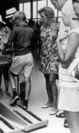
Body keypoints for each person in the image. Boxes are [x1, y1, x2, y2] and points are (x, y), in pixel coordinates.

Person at [57, 0, 79, 132]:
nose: (62, 19)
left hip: (70, 85)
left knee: (74, 127)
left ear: (68, 16)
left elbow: (65, 62)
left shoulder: (74, 34)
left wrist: (58, 43)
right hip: (74, 83)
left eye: (62, 16)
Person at [4, 11, 34, 109]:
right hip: (29, 56)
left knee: (10, 73)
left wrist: (4, 49)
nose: (14, 23)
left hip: (19, 56)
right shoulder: (31, 29)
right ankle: (25, 102)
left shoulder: (16, 29)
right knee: (27, 79)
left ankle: (14, 94)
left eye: (14, 20)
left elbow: (9, 43)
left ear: (18, 20)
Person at [50, 0, 70, 127]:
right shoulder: (66, 10)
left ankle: (70, 116)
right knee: (66, 85)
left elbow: (68, 35)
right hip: (64, 52)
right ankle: (68, 112)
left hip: (67, 54)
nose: (54, 6)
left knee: (69, 86)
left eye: (54, 3)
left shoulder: (67, 10)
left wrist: (59, 44)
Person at [38, 7, 59, 115]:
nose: (40, 19)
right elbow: (42, 43)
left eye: (42, 17)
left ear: (49, 16)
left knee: (52, 80)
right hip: (44, 57)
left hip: (54, 57)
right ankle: (50, 101)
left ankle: (55, 105)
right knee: (46, 80)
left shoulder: (57, 27)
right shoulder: (42, 28)